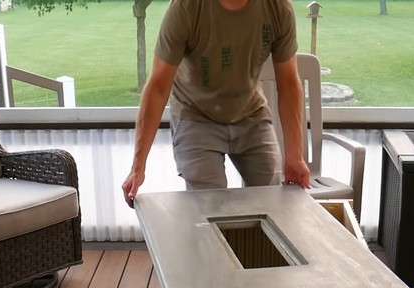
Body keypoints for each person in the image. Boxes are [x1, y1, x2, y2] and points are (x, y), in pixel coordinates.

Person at [121, 0, 312, 208]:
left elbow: (289, 84)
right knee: (210, 204)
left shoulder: (277, 7)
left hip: (250, 114)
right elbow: (158, 86)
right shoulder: (186, 8)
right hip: (195, 116)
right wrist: (138, 166)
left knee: (269, 196)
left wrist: (295, 156)